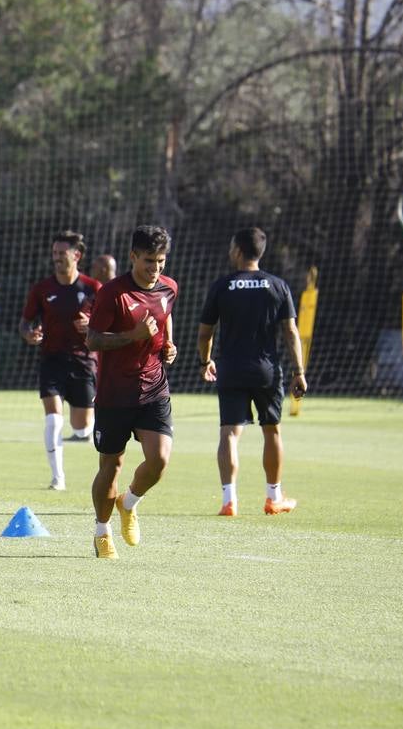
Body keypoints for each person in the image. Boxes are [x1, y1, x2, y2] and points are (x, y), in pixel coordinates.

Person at [196, 227, 308, 516]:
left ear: (237, 250)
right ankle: (274, 497)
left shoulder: (222, 286)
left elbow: (205, 332)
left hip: (231, 369)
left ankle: (228, 500)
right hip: (266, 370)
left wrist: (205, 360)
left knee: (229, 434)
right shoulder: (277, 285)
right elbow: (291, 331)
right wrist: (299, 371)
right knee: (271, 430)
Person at [85, 225, 179, 559]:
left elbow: (164, 316)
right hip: (114, 394)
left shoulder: (169, 288)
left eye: (161, 261)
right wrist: (133, 335)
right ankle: (101, 531)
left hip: (154, 386)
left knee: (160, 460)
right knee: (110, 467)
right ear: (133, 257)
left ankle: (129, 503)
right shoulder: (113, 293)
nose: (155, 268)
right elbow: (93, 339)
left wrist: (168, 344)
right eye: (149, 261)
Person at [20, 231, 103, 490]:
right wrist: (30, 334)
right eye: (54, 253)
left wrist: (92, 325)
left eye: (62, 253)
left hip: (84, 361)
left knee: (81, 426)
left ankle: (84, 432)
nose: (56, 258)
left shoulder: (93, 288)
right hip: (52, 360)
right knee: (53, 418)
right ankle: (58, 478)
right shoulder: (42, 289)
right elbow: (25, 323)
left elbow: (108, 325)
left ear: (76, 256)